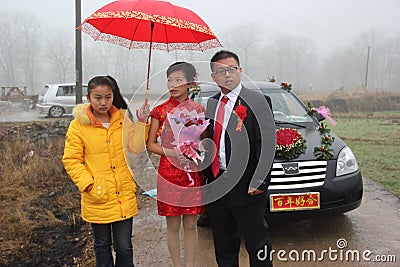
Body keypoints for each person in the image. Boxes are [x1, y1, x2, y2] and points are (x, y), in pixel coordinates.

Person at [62, 75, 150, 267]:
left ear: (113, 96)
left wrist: (142, 121)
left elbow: (135, 147)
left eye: (108, 97)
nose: (103, 102)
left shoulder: (121, 119)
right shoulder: (78, 125)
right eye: (98, 97)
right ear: (89, 97)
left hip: (123, 195)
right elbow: (71, 160)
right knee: (102, 245)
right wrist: (89, 184)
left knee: (124, 246)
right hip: (98, 194)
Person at [203, 50, 276, 266]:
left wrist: (260, 180)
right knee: (224, 244)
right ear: (213, 77)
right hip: (218, 183)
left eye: (231, 70)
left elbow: (268, 145)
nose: (227, 75)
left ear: (240, 71)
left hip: (247, 185)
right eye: (220, 71)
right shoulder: (211, 104)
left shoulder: (258, 101)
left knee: (257, 242)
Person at [146, 62, 204, 267]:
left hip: (190, 172)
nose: (173, 84)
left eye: (178, 80)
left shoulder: (198, 110)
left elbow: (203, 141)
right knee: (172, 224)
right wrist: (172, 152)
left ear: (190, 83)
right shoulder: (160, 111)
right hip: (169, 173)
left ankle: (190, 265)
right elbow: (151, 144)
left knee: (190, 224)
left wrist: (193, 150)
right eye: (170, 80)